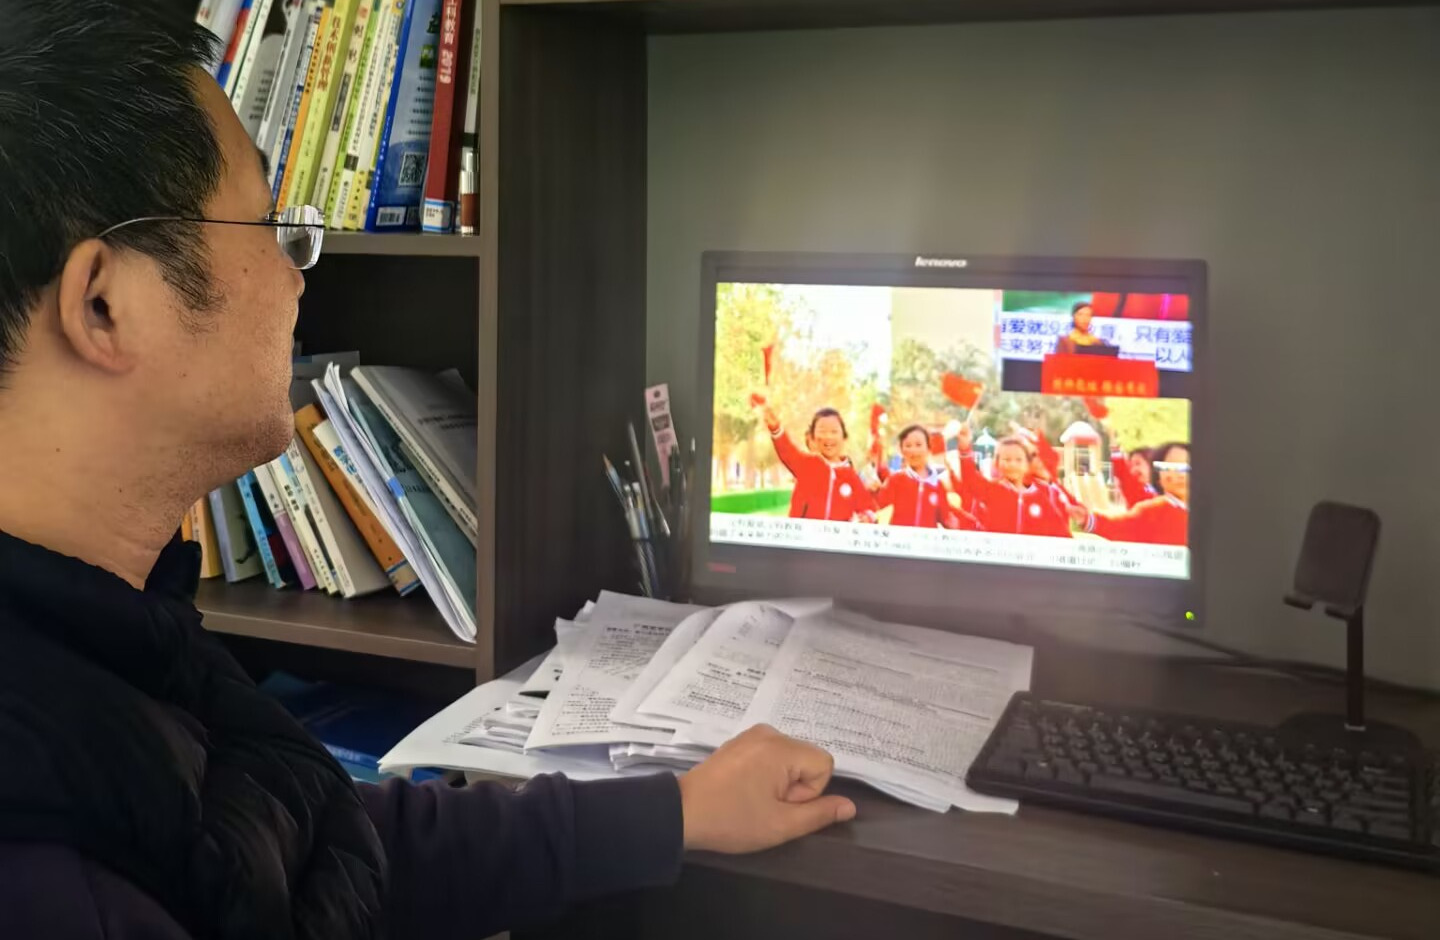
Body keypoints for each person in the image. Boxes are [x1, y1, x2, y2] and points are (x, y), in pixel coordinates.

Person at [0, 5, 857, 939]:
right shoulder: (49, 876)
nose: (298, 275)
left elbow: (323, 853)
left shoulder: (116, 639)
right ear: (105, 304)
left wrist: (673, 812)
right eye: (271, 225)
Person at [753, 393, 876, 523]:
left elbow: (868, 507)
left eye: (834, 432)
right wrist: (776, 429)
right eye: (822, 431)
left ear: (844, 437)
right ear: (812, 438)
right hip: (802, 535)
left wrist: (866, 517)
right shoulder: (807, 465)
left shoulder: (851, 477)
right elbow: (787, 452)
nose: (828, 437)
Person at [1071, 443, 1190, 545]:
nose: (1133, 470)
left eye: (1138, 464)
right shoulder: (1150, 505)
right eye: (1131, 465)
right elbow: (1120, 527)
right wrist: (1087, 519)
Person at [954, 437, 1073, 538]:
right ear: (996, 463)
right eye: (1007, 459)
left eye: (1018, 460)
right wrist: (965, 451)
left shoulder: (1040, 498)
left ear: (1027, 465)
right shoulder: (993, 490)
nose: (1012, 464)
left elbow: (1060, 531)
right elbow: (971, 481)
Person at [874, 425, 979, 529]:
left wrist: (965, 524)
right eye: (908, 446)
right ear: (901, 451)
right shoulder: (895, 481)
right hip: (900, 539)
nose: (913, 451)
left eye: (918, 445)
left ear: (928, 448)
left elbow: (946, 517)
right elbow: (877, 505)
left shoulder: (937, 486)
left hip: (927, 539)